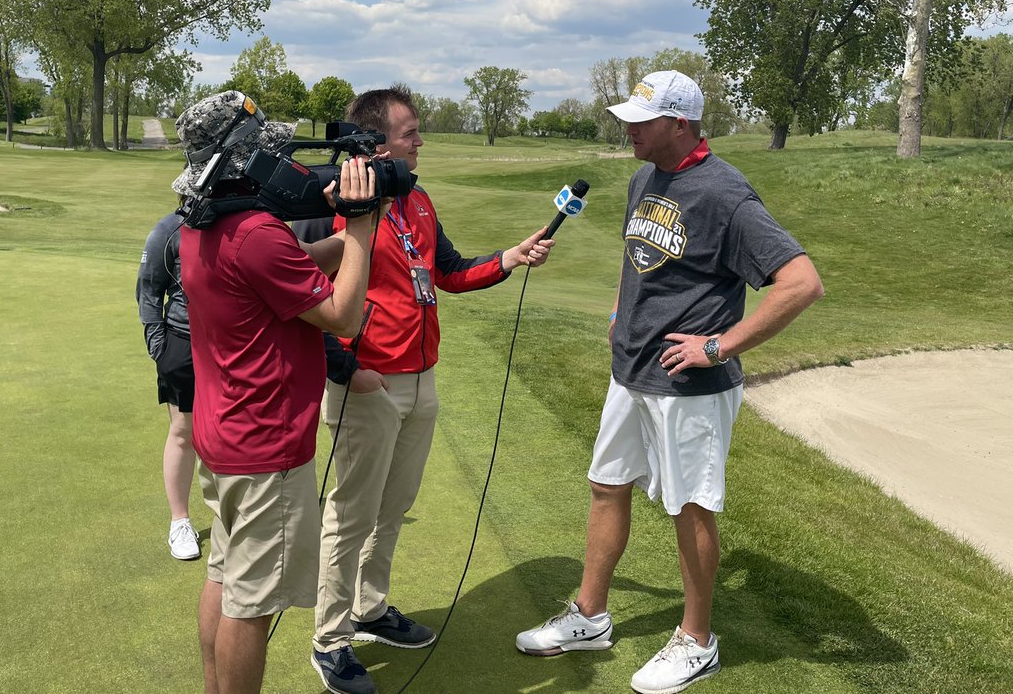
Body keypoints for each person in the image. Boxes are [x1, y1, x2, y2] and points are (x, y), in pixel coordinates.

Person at [515, 71, 824, 694]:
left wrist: (719, 345)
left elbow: (801, 282)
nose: (627, 128)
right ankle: (590, 616)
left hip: (689, 387)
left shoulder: (726, 194)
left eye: (640, 120)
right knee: (607, 486)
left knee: (691, 506)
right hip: (630, 372)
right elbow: (638, 263)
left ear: (678, 124)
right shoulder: (644, 177)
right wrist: (616, 314)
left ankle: (698, 640)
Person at [294, 85, 555, 694]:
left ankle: (370, 608)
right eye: (410, 133)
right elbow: (301, 298)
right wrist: (344, 369)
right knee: (351, 515)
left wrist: (510, 257)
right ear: (375, 142)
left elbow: (447, 272)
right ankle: (330, 640)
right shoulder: (333, 203)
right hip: (366, 384)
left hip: (420, 379)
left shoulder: (417, 200)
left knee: (393, 507)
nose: (420, 142)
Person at [173, 91, 382, 694]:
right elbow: (342, 316)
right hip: (268, 444)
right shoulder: (259, 234)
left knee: (226, 574)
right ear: (247, 164)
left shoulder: (206, 226)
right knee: (253, 603)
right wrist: (363, 226)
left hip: (226, 435)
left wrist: (342, 238)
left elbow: (280, 268)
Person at [136, 209, 200, 560]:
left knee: (232, 430)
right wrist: (158, 346)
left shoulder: (245, 220)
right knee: (183, 432)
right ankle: (180, 521)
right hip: (182, 343)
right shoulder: (170, 228)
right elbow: (148, 289)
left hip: (233, 347)